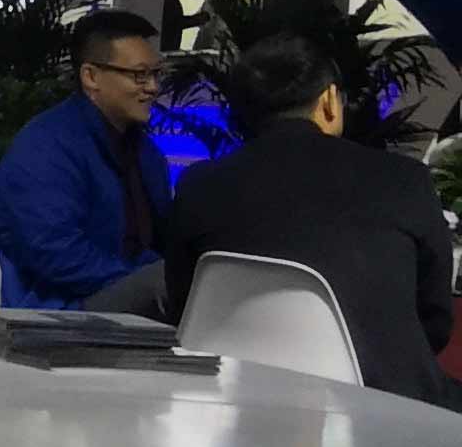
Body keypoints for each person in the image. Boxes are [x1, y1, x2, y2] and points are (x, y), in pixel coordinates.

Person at [166, 23, 456, 406]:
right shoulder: (403, 180)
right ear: (329, 101)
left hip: (237, 401)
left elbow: (185, 304)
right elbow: (436, 318)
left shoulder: (200, 186)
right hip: (386, 406)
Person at [0, 4, 175, 313]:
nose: (152, 87)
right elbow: (54, 253)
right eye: (139, 75)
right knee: (176, 285)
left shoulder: (144, 151)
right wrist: (141, 279)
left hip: (116, 288)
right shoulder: (46, 145)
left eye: (156, 74)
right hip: (62, 305)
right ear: (91, 77)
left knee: (200, 281)